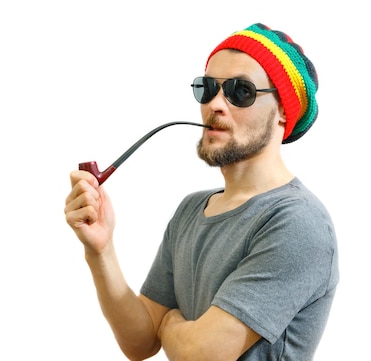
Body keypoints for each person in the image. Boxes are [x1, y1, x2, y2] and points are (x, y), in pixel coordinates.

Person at [64, 23, 339, 361]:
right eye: (207, 88)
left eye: (241, 91)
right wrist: (100, 250)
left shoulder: (296, 222)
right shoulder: (192, 210)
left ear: (283, 110)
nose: (216, 105)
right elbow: (140, 342)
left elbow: (202, 355)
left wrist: (171, 323)